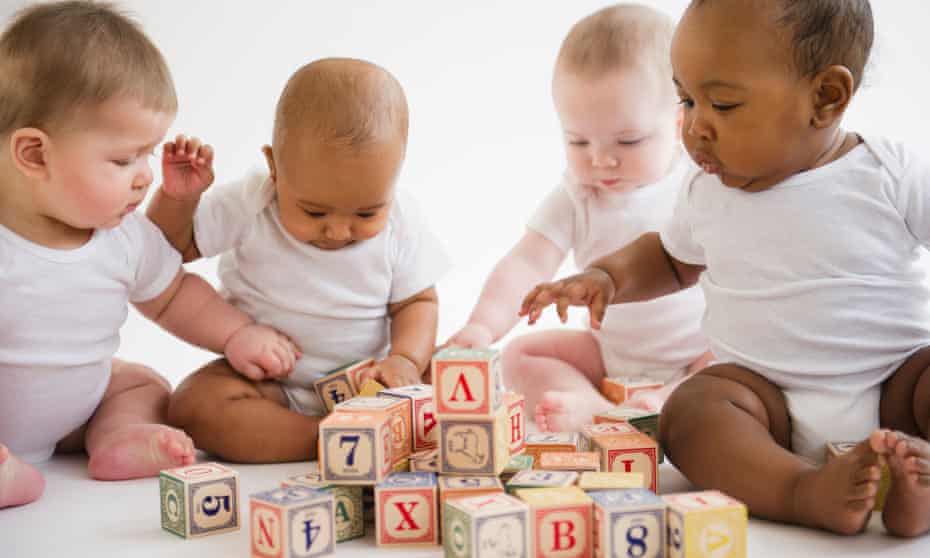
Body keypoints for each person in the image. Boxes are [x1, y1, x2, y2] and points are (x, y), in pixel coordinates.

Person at [521, 0, 930, 538]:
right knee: (691, 413)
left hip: (897, 387)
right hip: (764, 403)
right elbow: (669, 259)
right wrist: (607, 277)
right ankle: (802, 490)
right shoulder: (706, 191)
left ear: (826, 98)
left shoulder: (889, 172)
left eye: (723, 104)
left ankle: (915, 484)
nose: (693, 128)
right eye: (686, 99)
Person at [0, 1, 296, 509]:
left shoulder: (125, 239)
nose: (144, 175)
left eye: (147, 154)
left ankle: (120, 436)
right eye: (122, 159)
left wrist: (236, 333)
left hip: (76, 412)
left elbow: (175, 295)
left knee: (139, 383)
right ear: (34, 154)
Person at [147, 58, 449, 463]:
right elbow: (172, 246)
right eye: (314, 212)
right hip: (273, 385)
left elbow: (417, 303)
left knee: (452, 370)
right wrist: (178, 199)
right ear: (274, 168)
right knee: (193, 405)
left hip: (374, 383)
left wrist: (405, 360)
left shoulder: (401, 220)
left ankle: (378, 427)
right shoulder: (251, 203)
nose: (339, 231)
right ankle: (326, 439)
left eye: (365, 214)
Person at [444, 4, 709, 432]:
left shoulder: (698, 183)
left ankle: (664, 400)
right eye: (578, 140)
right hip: (611, 355)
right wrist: (482, 326)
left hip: (700, 348)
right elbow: (527, 263)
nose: (601, 159)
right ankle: (591, 405)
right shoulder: (577, 195)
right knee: (519, 356)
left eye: (628, 140)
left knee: (741, 361)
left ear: (678, 123)